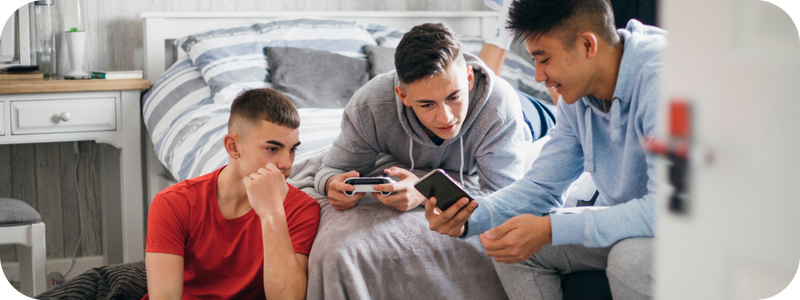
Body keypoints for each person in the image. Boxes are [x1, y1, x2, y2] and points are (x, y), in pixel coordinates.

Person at [425, 0, 665, 299]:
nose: (539, 76)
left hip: (694, 228)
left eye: (544, 59)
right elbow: (542, 186)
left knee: (630, 259)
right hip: (632, 220)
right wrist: (470, 215)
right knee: (511, 245)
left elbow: (664, 210)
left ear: (587, 45)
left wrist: (552, 228)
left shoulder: (663, 81)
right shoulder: (575, 98)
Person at [314, 23, 533, 212]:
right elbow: (332, 171)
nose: (445, 117)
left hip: (530, 114)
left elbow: (506, 201)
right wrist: (332, 184)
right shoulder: (369, 106)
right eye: (427, 104)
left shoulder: (501, 107)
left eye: (453, 97)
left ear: (468, 79)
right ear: (403, 96)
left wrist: (427, 193)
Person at [144, 89, 321, 300]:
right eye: (273, 149)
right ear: (233, 146)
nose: (286, 164)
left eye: (293, 150)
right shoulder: (174, 203)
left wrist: (272, 214)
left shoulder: (302, 209)